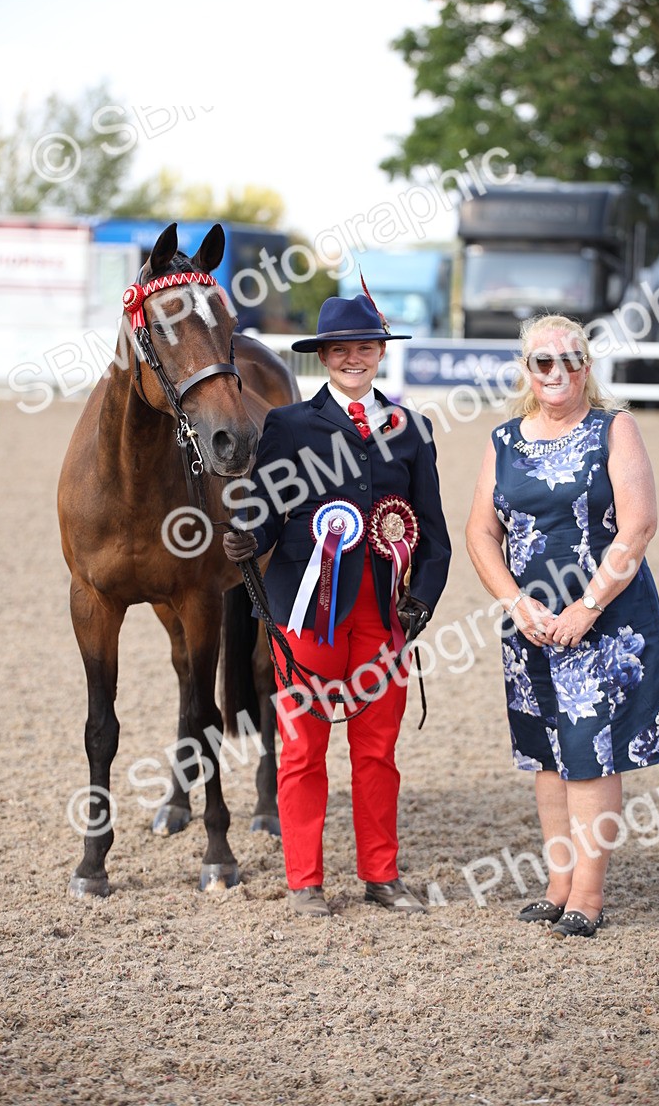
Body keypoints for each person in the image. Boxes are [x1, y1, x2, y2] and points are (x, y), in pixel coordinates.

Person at [223, 291, 452, 917]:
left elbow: (432, 533)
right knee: (303, 747)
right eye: (341, 349)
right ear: (324, 356)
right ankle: (306, 880)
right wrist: (250, 535)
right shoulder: (290, 426)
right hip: (306, 609)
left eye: (365, 347)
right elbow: (267, 514)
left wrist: (421, 603)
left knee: (377, 750)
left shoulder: (410, 430)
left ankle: (381, 874)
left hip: (383, 612)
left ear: (380, 353)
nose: (354, 357)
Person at [465, 313, 659, 938]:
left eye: (569, 359)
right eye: (542, 361)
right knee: (547, 755)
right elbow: (481, 531)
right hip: (531, 624)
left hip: (603, 617)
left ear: (586, 366)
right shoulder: (503, 440)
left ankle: (587, 896)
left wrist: (586, 607)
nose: (556, 371)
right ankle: (558, 885)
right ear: (527, 370)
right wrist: (514, 602)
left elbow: (638, 525)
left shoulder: (615, 429)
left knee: (592, 756)